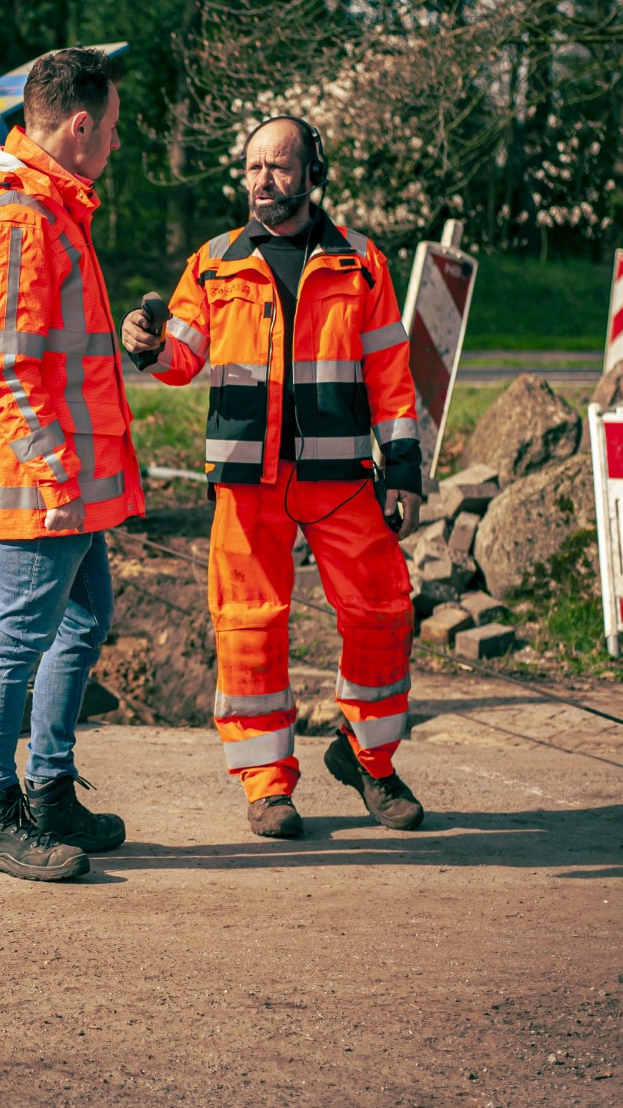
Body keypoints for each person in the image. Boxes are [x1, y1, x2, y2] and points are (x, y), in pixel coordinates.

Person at [120, 116, 426, 840]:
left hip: (343, 478)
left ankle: (368, 761)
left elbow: (391, 375)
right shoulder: (214, 262)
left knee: (383, 614)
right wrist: (148, 346)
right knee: (250, 628)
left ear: (312, 172)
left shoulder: (363, 263)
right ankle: (266, 786)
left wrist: (404, 467)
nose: (262, 181)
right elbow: (181, 359)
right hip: (246, 481)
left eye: (278, 168)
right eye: (253, 168)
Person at [0, 47, 147, 882]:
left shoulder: (51, 209)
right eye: (111, 129)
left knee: (82, 619)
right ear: (78, 126)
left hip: (67, 482)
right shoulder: (19, 219)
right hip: (45, 486)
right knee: (19, 638)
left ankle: (50, 788)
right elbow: (9, 366)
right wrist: (58, 478)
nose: (114, 145)